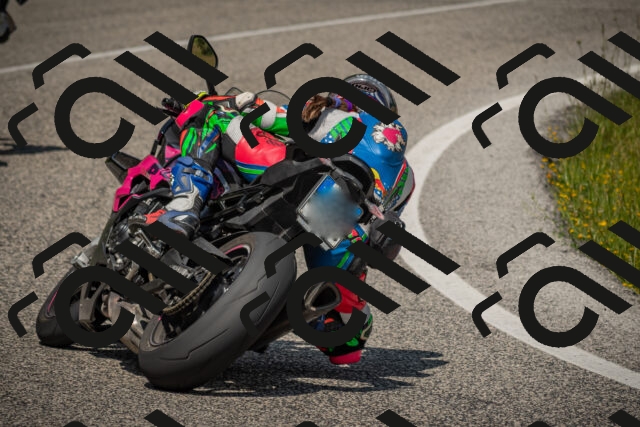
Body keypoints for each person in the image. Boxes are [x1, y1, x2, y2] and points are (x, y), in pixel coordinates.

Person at [137, 74, 415, 365]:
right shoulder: (405, 178)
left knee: (211, 117)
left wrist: (217, 101)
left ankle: (184, 205)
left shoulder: (335, 113)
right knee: (348, 341)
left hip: (302, 180)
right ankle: (299, 317)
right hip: (345, 221)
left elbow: (264, 113)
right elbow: (384, 227)